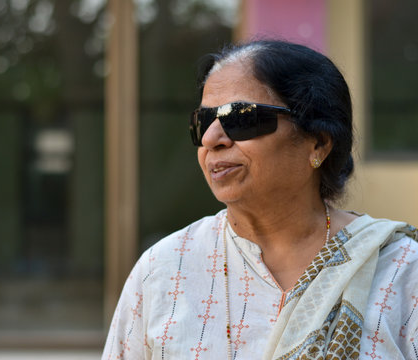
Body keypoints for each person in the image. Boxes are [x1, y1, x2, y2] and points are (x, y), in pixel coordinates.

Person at [101, 40, 418, 359]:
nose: (211, 139)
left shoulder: (401, 271)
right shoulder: (164, 270)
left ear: (318, 143)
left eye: (240, 118)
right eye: (203, 122)